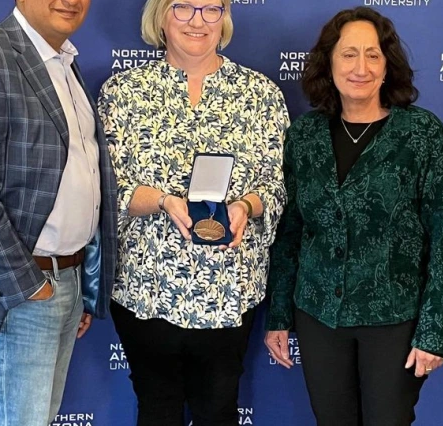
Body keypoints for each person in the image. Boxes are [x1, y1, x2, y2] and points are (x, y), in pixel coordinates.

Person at [264, 6, 443, 426]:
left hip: (395, 319)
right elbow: (290, 232)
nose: (361, 67)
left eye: (373, 55)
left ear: (388, 66)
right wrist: (279, 315)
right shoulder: (304, 136)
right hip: (318, 316)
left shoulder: (423, 134)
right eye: (348, 54)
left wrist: (434, 333)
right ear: (329, 63)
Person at [98, 1, 288, 425]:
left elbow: (277, 186)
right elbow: (106, 191)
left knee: (218, 408)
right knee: (157, 406)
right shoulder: (122, 93)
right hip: (146, 285)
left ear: (225, 17)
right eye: (182, 7)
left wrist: (246, 206)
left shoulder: (260, 93)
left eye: (211, 8)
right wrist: (163, 201)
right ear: (161, 16)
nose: (197, 20)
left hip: (231, 286)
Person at [0, 0, 117, 425]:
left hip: (65, 280)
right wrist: (29, 288)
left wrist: (77, 283)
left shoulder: (64, 63)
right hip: (18, 290)